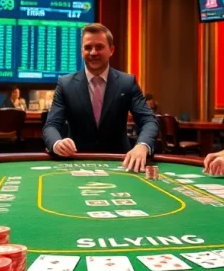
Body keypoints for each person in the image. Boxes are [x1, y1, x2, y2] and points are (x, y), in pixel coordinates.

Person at [42, 23, 158, 172]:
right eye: (88, 47)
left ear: (111, 50)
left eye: (99, 47)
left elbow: (149, 120)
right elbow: (51, 125)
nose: (93, 52)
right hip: (76, 164)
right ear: (81, 51)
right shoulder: (65, 84)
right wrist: (57, 143)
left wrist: (142, 146)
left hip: (121, 164)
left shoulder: (127, 82)